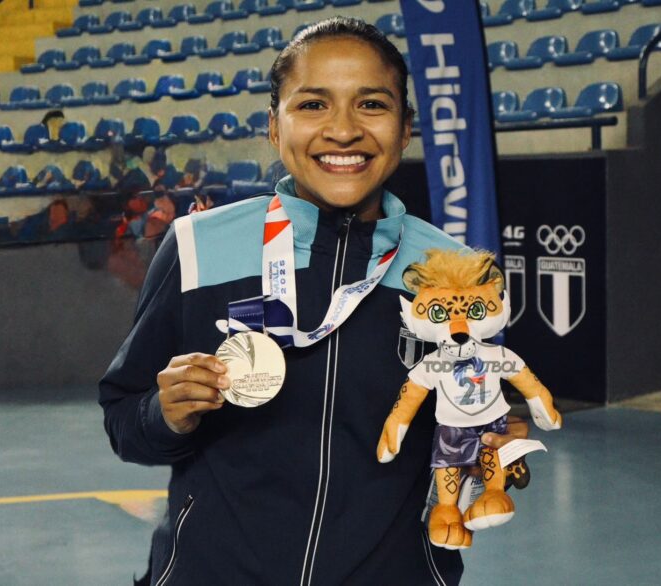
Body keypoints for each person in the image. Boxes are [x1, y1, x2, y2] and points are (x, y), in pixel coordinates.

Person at [99, 16, 527, 586]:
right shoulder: (198, 246)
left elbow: (471, 423)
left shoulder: (454, 273)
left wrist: (490, 449)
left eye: (371, 104)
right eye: (312, 105)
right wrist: (164, 412)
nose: (343, 130)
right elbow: (124, 420)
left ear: (405, 128)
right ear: (274, 127)